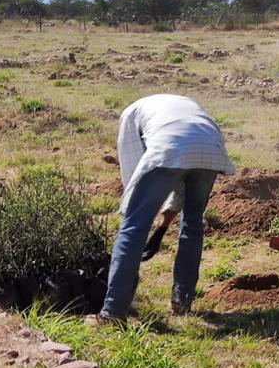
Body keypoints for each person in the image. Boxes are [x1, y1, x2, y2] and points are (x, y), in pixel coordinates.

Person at [93, 94, 235, 325]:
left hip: (173, 145)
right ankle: (182, 302)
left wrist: (134, 213)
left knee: (132, 229)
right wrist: (163, 226)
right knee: (193, 223)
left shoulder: (130, 113)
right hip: (211, 149)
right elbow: (182, 174)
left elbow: (134, 169)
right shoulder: (185, 105)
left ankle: (112, 312)